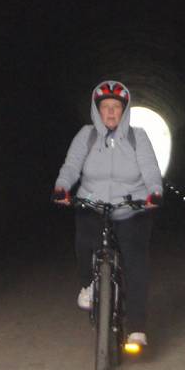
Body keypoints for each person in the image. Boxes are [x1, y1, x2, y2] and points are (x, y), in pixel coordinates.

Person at [51, 80, 162, 350]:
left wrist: (154, 192)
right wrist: (62, 186)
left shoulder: (138, 137)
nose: (111, 112)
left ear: (125, 110)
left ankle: (136, 328)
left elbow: (150, 168)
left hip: (131, 207)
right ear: (96, 110)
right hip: (93, 203)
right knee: (84, 241)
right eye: (105, 107)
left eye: (116, 107)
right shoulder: (86, 135)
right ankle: (88, 286)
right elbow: (72, 165)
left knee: (136, 262)